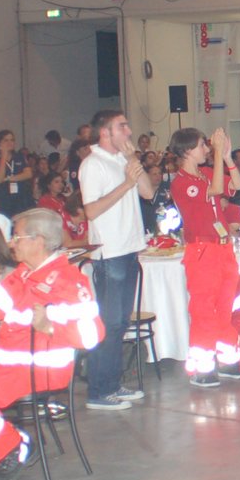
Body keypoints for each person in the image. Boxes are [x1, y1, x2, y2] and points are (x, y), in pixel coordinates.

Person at [0, 208, 105, 480]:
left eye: (17, 237)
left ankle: (12, 445)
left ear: (38, 241)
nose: (11, 243)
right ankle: (6, 445)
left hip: (40, 369)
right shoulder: (23, 274)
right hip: (13, 365)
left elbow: (92, 336)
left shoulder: (67, 280)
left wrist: (51, 328)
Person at [78, 108, 154, 411]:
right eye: (122, 126)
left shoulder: (123, 160)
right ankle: (98, 390)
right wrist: (125, 183)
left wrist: (133, 163)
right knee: (108, 324)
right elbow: (91, 211)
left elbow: (147, 192)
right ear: (105, 133)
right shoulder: (92, 164)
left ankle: (112, 382)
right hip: (109, 253)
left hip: (129, 248)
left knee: (121, 323)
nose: (129, 131)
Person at [169, 127, 240, 386]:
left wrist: (225, 157)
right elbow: (215, 189)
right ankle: (202, 366)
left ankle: (226, 358)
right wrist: (216, 156)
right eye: (203, 145)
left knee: (225, 305)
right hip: (202, 250)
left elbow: (237, 184)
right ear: (187, 150)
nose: (205, 149)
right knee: (204, 308)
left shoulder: (204, 174)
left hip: (222, 246)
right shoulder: (182, 182)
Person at [0, 130, 34, 221]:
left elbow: (28, 174)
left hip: (19, 198)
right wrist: (3, 156)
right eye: (6, 140)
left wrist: (10, 178)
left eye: (12, 140)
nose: (10, 143)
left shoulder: (19, 156)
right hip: (2, 200)